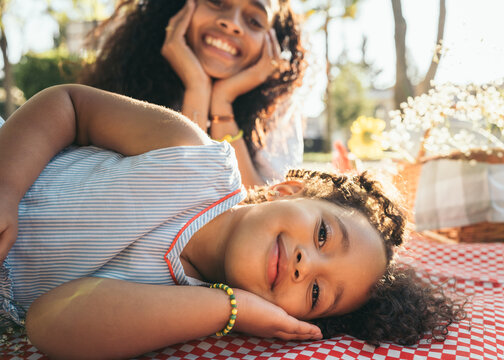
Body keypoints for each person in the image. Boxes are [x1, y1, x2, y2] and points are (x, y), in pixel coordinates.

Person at [0, 85, 464, 359]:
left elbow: (47, 325)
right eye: (323, 234)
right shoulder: (190, 153)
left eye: (317, 293)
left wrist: (228, 309)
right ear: (289, 189)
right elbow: (68, 106)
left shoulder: (180, 305)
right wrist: (6, 186)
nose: (306, 265)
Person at [78, 0, 306, 186]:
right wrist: (197, 88)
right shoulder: (126, 77)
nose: (232, 23)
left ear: (271, 41)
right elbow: (174, 190)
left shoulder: (277, 108)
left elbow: (259, 204)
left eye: (255, 21)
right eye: (217, 2)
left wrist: (222, 102)